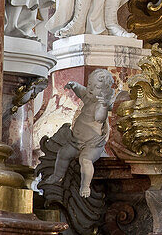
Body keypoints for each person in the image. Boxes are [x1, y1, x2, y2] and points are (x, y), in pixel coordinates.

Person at [43, 69, 116, 198]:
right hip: (76, 141)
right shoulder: (89, 97)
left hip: (92, 145)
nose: (91, 89)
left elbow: (100, 118)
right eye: (90, 85)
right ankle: (57, 175)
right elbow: (81, 91)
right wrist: (74, 86)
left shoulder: (100, 105)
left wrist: (103, 105)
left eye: (96, 87)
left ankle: (85, 185)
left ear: (104, 91)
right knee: (63, 153)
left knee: (85, 160)